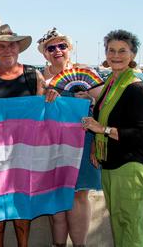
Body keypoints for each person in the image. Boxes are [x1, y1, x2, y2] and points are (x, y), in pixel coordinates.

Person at [0, 24, 58, 247]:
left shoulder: (34, 75)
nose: (7, 50)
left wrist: (53, 95)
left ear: (18, 49)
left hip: (26, 152)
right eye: (1, 46)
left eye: (11, 45)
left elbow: (46, 109)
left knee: (23, 199)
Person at [81, 30, 143, 247]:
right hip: (110, 163)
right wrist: (95, 144)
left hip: (130, 164)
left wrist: (102, 130)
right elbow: (100, 116)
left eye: (123, 51)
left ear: (133, 55)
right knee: (119, 225)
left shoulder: (136, 88)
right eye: (111, 50)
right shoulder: (110, 84)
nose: (116, 55)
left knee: (129, 226)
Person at [37, 27, 102, 247]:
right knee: (55, 193)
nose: (57, 50)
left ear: (70, 49)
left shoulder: (85, 73)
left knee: (79, 194)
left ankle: (80, 244)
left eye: (62, 46)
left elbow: (103, 108)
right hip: (50, 144)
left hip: (83, 141)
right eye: (51, 47)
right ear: (44, 53)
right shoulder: (40, 77)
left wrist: (89, 101)